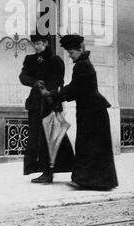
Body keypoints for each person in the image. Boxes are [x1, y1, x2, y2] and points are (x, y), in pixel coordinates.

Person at [41, 34, 118, 191]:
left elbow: (74, 89)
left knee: (88, 146)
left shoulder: (82, 65)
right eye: (69, 53)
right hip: (92, 111)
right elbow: (74, 88)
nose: (70, 56)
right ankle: (96, 181)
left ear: (80, 49)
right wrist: (57, 93)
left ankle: (84, 180)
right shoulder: (83, 63)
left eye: (71, 53)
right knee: (92, 147)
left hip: (92, 112)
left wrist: (52, 94)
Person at [19, 34, 74, 184]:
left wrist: (50, 93)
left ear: (45, 43)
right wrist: (35, 82)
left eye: (38, 43)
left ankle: (49, 171)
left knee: (52, 138)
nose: (36, 46)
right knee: (37, 139)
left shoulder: (55, 60)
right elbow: (23, 77)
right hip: (36, 104)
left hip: (50, 103)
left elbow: (59, 81)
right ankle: (43, 170)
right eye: (34, 44)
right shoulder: (30, 60)